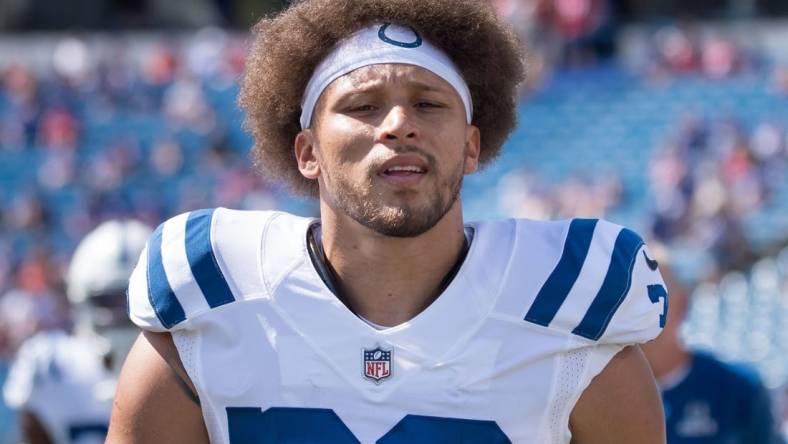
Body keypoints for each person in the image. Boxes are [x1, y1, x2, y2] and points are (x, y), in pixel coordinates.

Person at [108, 1, 669, 442]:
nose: (399, 124)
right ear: (307, 151)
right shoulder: (212, 300)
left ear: (472, 146)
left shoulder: (568, 313)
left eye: (429, 104)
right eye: (363, 106)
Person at [3, 219, 152, 444]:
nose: (123, 314)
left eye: (136, 300)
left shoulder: (190, 361)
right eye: (109, 301)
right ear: (81, 297)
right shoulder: (51, 365)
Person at [642, 246, 784, 444]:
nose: (639, 314)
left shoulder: (738, 389)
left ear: (682, 304)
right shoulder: (602, 393)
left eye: (652, 297)